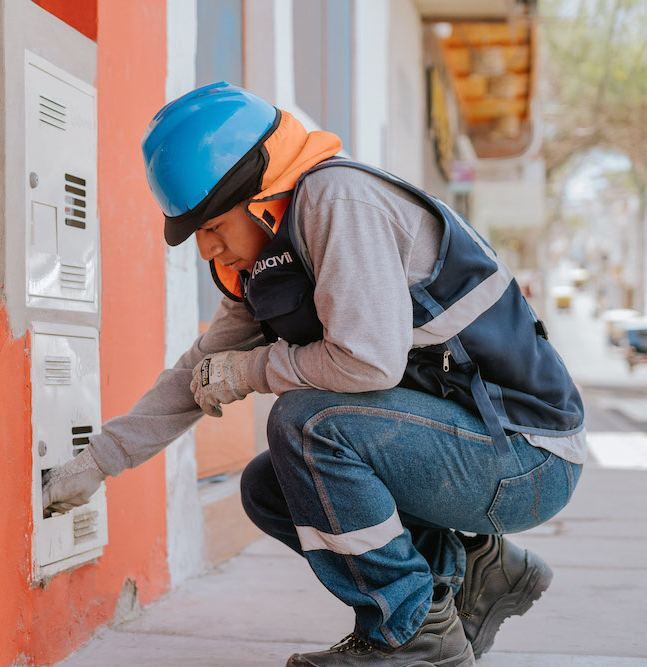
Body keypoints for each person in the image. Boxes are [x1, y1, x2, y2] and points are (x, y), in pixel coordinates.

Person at [41, 82, 585, 666]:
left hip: (527, 457)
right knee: (271, 487)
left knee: (307, 424)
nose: (206, 250)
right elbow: (197, 376)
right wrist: (97, 462)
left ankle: (412, 631)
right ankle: (474, 572)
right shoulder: (270, 260)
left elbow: (369, 361)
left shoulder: (336, 202)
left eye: (214, 226)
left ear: (256, 195)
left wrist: (251, 371)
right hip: (470, 448)